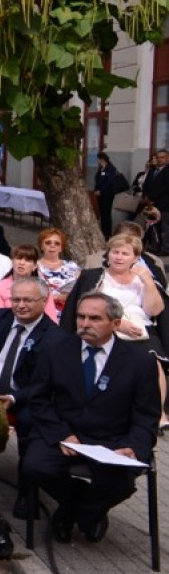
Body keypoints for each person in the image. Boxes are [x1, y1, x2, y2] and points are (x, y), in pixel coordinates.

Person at [24, 292, 159, 543]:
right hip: (64, 433)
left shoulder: (140, 362)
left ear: (115, 323)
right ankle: (85, 508)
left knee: (121, 482)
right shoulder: (56, 349)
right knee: (35, 466)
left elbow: (146, 416)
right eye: (81, 317)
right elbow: (38, 399)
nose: (85, 324)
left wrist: (133, 447)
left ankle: (74, 513)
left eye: (94, 318)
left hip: (111, 438)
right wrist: (62, 434)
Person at [0, 276, 71, 518]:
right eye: (15, 299)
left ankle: (28, 492)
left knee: (31, 421)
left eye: (27, 300)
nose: (20, 305)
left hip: (24, 396)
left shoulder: (55, 338)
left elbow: (44, 384)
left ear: (44, 300)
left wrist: (14, 398)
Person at [58, 233, 169, 431]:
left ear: (135, 258)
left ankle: (158, 414)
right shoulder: (94, 277)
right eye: (115, 252)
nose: (118, 257)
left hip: (140, 329)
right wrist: (117, 324)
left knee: (153, 361)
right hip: (103, 325)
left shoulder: (144, 279)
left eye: (125, 254)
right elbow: (84, 307)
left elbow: (154, 311)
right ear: (108, 254)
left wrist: (148, 281)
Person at [0, 245, 58, 320]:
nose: (22, 263)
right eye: (19, 258)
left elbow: (52, 319)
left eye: (27, 260)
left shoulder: (43, 289)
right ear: (12, 262)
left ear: (34, 266)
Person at [35, 227, 80, 316]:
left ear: (61, 248)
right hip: (43, 314)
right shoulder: (34, 266)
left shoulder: (73, 266)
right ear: (41, 246)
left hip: (69, 314)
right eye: (48, 243)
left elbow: (80, 289)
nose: (52, 246)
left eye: (57, 243)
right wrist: (58, 297)